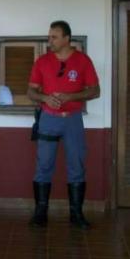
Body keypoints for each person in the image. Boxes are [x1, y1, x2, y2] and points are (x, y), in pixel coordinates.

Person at [27, 20, 100, 230]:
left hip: (73, 120)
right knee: (43, 165)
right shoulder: (42, 61)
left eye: (54, 37)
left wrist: (70, 96)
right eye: (49, 36)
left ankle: (76, 214)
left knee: (77, 165)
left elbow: (95, 91)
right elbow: (31, 91)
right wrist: (45, 98)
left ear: (67, 38)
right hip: (48, 118)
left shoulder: (83, 61)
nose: (50, 40)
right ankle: (40, 213)